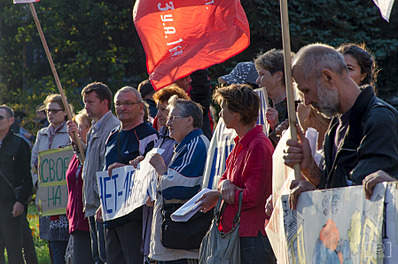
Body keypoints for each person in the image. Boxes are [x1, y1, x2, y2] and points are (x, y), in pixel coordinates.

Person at [283, 43, 398, 209]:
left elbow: (365, 199)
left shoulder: (379, 119)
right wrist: (309, 171)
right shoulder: (336, 125)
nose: (306, 102)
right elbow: (339, 192)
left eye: (306, 91)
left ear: (328, 77)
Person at [199, 84, 276, 264]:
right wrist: (223, 187)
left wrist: (222, 192)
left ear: (237, 114)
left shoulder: (258, 145)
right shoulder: (242, 142)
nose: (220, 114)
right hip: (240, 233)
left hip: (252, 237)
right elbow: (224, 178)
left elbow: (253, 196)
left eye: (223, 108)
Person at [149, 96, 209, 264]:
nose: (168, 123)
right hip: (176, 246)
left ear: (189, 120)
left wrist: (161, 168)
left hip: (184, 248)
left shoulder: (195, 144)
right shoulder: (184, 146)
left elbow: (177, 189)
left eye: (173, 118)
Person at [102, 86, 158, 264]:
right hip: (111, 215)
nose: (122, 108)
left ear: (141, 107)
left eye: (127, 103)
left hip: (136, 217)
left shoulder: (149, 134)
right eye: (118, 104)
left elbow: (154, 172)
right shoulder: (111, 136)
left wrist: (125, 167)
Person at [67, 82, 119, 264]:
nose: (86, 107)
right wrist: (76, 141)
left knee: (106, 257)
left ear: (105, 102)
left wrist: (103, 201)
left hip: (102, 204)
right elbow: (88, 160)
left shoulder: (113, 128)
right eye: (85, 102)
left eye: (90, 102)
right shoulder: (95, 127)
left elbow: (108, 167)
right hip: (91, 202)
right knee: (97, 256)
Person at [31, 94, 71, 263]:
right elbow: (33, 163)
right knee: (53, 244)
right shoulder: (42, 134)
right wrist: (38, 184)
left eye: (55, 111)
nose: (51, 114)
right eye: (48, 111)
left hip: (67, 198)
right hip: (48, 198)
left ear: (65, 112)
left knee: (68, 244)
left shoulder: (72, 131)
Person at [0, 105, 33, 264]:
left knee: (15, 254)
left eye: (0, 118)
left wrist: (21, 201)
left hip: (12, 206)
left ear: (11, 120)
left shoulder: (20, 144)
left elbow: (27, 177)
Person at [65, 109, 94, 264]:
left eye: (81, 127)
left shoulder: (90, 156)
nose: (77, 131)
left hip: (87, 222)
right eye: (76, 126)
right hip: (75, 221)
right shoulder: (75, 157)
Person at [254, 49, 289, 146]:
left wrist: (277, 126)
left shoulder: (294, 107)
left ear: (278, 76)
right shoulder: (262, 105)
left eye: (262, 74)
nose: (257, 81)